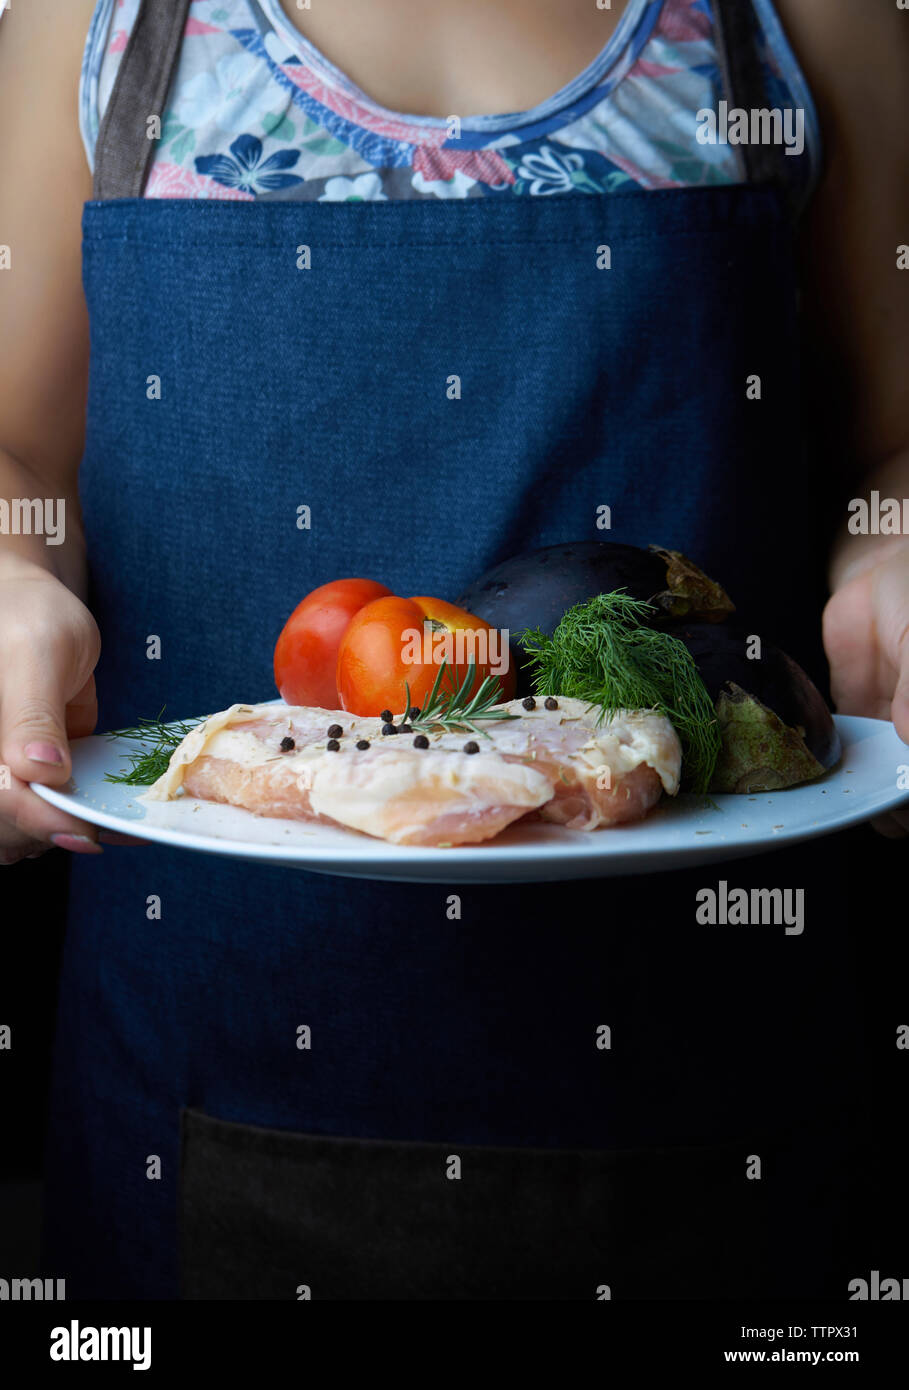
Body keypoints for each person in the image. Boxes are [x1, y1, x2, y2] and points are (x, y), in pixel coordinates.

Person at [0, 0, 906, 1299]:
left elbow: (890, 446)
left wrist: (894, 557)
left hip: (725, 1098)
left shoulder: (804, 24)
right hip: (199, 1091)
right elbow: (17, 452)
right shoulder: (97, 23)